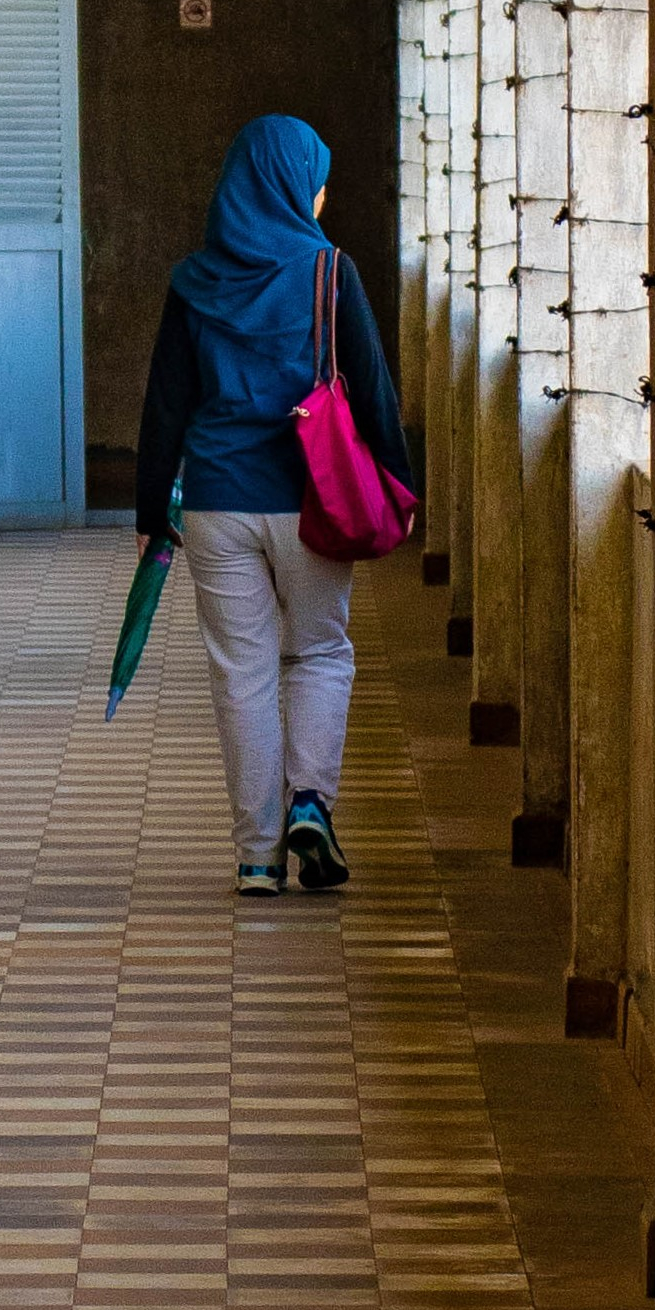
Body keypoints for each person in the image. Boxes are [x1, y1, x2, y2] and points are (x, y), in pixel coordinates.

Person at [134, 111, 414, 897]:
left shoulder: (193, 280)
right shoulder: (330, 272)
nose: (321, 198)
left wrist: (152, 508)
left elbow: (164, 404)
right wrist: (399, 481)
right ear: (299, 186)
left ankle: (257, 854)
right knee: (320, 650)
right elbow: (374, 390)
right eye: (317, 183)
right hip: (312, 500)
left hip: (218, 502)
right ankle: (309, 804)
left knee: (241, 672)